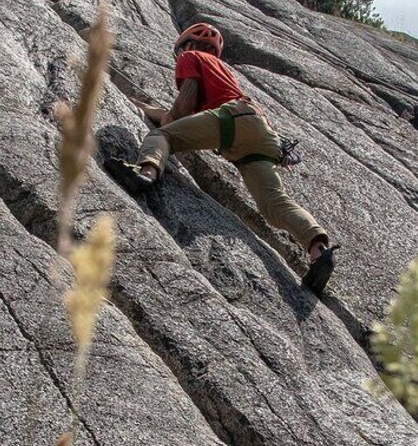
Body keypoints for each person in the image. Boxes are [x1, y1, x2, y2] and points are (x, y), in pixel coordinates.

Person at [105, 23, 339, 294]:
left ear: (187, 46)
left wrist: (165, 120)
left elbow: (184, 107)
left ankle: (145, 174)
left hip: (232, 122)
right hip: (260, 133)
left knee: (162, 137)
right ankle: (318, 251)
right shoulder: (224, 73)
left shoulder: (191, 57)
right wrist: (153, 110)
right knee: (274, 202)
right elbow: (196, 117)